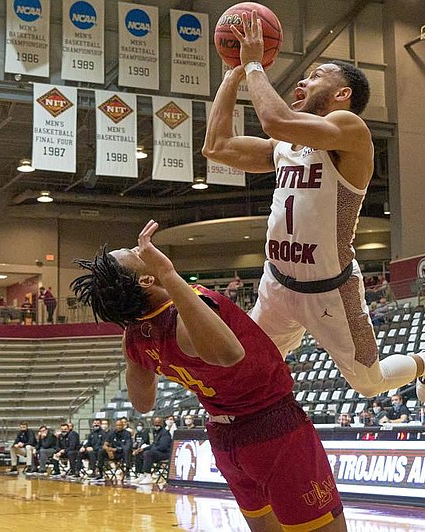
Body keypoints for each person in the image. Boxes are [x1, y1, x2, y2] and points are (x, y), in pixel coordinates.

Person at [202, 12, 425, 405]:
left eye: (316, 75)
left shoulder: (350, 130)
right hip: (276, 286)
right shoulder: (285, 146)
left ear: (342, 94)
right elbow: (216, 146)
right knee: (239, 368)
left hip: (329, 290)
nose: (302, 80)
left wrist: (252, 63)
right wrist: (233, 74)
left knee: (368, 384)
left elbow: (274, 119)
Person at [71, 220, 346, 531]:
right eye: (133, 253)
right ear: (146, 279)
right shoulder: (185, 316)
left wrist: (139, 342)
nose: (139, 249)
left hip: (226, 437)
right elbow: (230, 354)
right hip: (274, 427)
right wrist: (168, 273)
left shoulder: (133, 339)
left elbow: (143, 402)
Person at [137, 416, 172, 485]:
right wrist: (142, 449)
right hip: (157, 452)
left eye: (158, 423)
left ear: (162, 423)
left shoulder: (165, 433)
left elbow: (163, 447)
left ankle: (148, 475)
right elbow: (153, 444)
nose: (157, 424)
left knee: (148, 453)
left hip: (165, 454)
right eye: (155, 423)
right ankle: (141, 474)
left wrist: (150, 449)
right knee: (139, 453)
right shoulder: (156, 432)